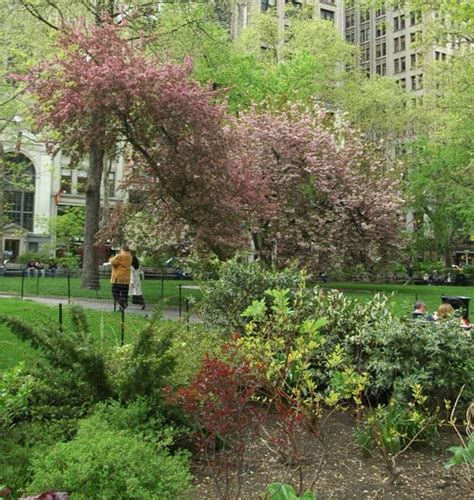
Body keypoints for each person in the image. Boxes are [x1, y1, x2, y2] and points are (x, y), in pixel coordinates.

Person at [109, 244, 132, 312]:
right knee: (124, 294)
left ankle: (123, 303)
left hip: (118, 278)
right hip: (126, 279)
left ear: (122, 249)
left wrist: (114, 256)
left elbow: (112, 262)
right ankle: (122, 309)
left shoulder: (120, 256)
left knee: (115, 293)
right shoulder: (129, 256)